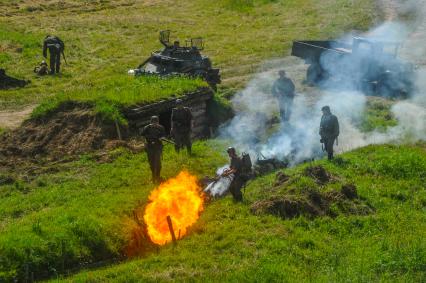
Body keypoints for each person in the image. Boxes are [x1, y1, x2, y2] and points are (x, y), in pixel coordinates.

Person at [141, 116, 166, 183]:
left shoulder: (161, 128)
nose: (154, 124)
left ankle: (158, 176)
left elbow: (163, 136)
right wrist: (145, 143)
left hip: (158, 146)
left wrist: (161, 138)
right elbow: (143, 136)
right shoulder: (146, 128)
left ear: (158, 122)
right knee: (151, 163)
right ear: (151, 122)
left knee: (158, 163)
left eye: (156, 122)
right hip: (149, 147)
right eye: (153, 123)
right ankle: (153, 176)